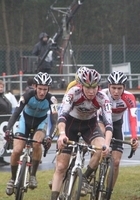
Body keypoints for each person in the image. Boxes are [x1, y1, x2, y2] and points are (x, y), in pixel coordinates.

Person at [50, 69, 113, 200]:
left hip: (89, 126)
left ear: (98, 87)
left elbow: (108, 124)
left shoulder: (103, 98)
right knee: (61, 166)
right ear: (81, 85)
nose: (91, 91)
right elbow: (62, 116)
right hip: (70, 126)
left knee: (100, 149)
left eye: (94, 87)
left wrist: (106, 145)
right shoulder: (73, 93)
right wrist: (62, 134)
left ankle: (85, 177)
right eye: (88, 88)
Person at [5, 72, 58, 196]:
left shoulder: (52, 100)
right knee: (17, 150)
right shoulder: (27, 95)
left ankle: (33, 175)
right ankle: (12, 179)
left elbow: (55, 121)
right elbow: (16, 113)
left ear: (48, 89)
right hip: (25, 121)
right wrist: (8, 129)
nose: (42, 92)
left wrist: (50, 136)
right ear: (35, 87)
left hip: (40, 123)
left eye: (45, 89)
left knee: (37, 143)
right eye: (40, 89)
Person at [98, 71, 139, 192]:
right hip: (101, 121)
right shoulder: (102, 94)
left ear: (124, 88)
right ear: (108, 86)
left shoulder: (129, 98)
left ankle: (108, 192)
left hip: (116, 125)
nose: (116, 91)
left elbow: (133, 119)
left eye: (119, 88)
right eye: (113, 88)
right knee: (101, 134)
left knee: (116, 162)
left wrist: (134, 137)